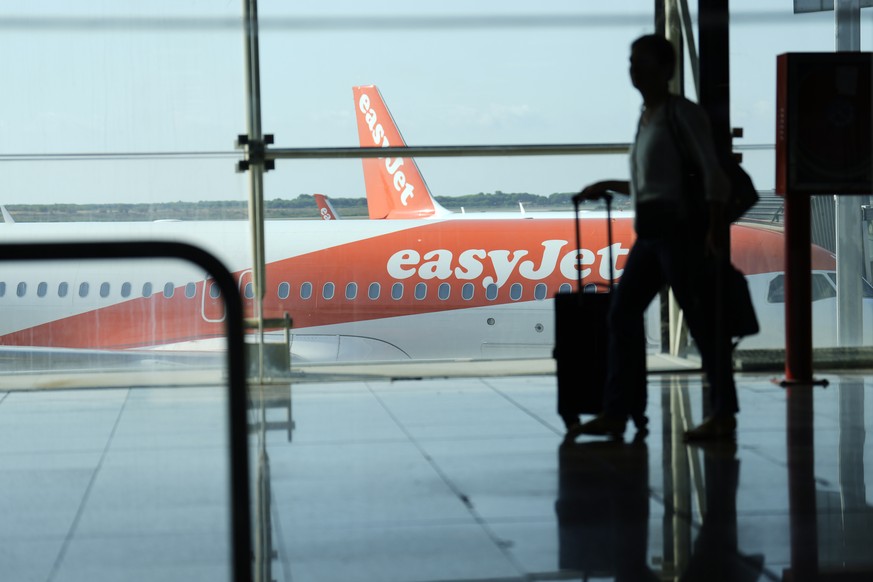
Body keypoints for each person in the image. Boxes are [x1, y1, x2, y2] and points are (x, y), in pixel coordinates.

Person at [574, 34, 738, 440]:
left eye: (642, 62)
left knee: (700, 324)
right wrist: (607, 184)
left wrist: (715, 227)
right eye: (631, 61)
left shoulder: (682, 115)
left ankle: (722, 413)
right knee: (622, 315)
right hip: (651, 234)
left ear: (666, 70)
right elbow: (651, 181)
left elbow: (714, 174)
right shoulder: (647, 117)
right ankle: (618, 411)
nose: (634, 69)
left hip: (679, 233)